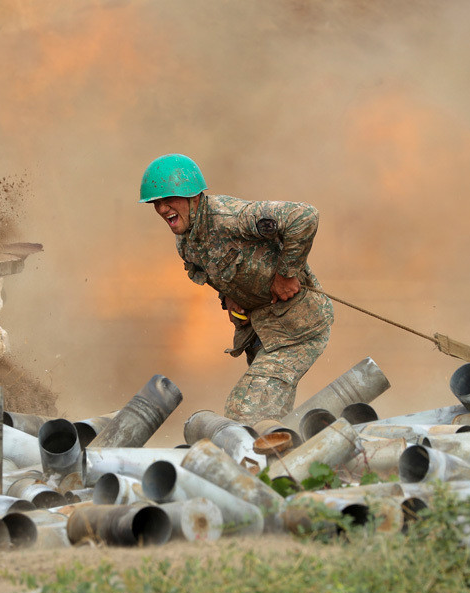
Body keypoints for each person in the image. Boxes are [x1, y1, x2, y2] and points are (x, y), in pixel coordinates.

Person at [138, 153, 334, 424]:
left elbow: (304, 216)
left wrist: (286, 274)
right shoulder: (186, 243)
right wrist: (228, 298)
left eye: (168, 200)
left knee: (246, 411)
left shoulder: (232, 218)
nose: (161, 209)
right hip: (262, 333)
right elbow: (215, 271)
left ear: (194, 197)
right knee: (271, 417)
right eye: (156, 203)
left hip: (297, 328)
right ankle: (286, 460)